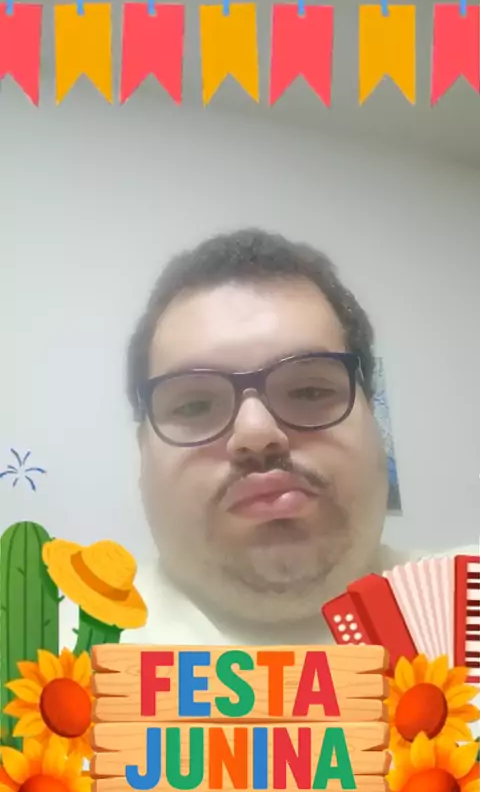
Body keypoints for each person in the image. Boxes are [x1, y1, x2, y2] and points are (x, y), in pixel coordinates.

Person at [121, 228, 473, 648]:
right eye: (194, 406)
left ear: (373, 422)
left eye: (309, 391)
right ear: (143, 452)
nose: (256, 433)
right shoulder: (56, 655)